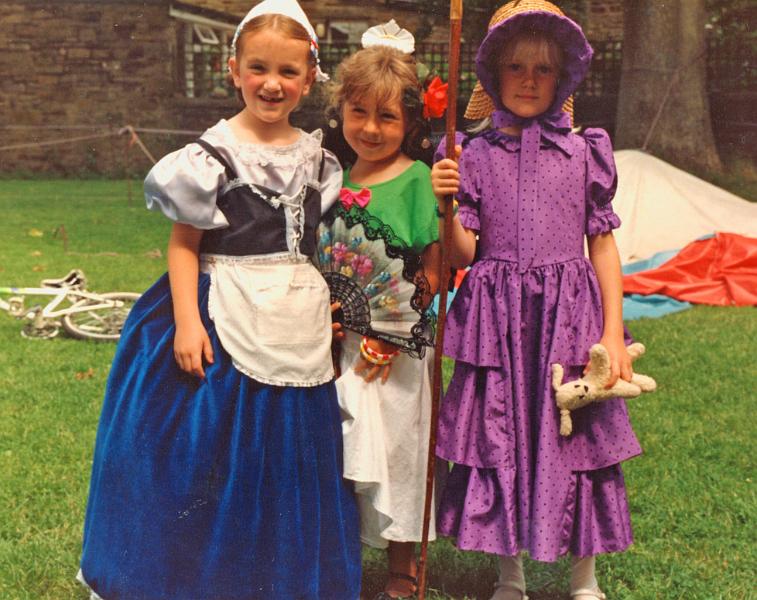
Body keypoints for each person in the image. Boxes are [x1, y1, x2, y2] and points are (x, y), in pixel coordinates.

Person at [77, 1, 360, 598]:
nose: (271, 84)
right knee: (211, 445)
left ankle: (276, 569)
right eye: (257, 68)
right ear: (233, 70)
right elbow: (183, 247)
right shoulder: (212, 154)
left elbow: (315, 246)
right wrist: (186, 322)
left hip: (293, 316)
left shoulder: (319, 159)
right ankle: (204, 571)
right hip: (219, 307)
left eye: (287, 72)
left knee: (288, 451)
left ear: (310, 78)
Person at [430, 2, 641, 599]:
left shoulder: (584, 152)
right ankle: (510, 576)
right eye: (516, 67)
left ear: (563, 78)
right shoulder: (470, 154)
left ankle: (584, 578)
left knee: (578, 440)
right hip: (498, 322)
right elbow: (464, 253)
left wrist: (611, 331)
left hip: (569, 316)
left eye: (542, 70)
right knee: (501, 434)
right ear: (494, 74)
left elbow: (602, 247)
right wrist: (447, 205)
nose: (528, 80)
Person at [327, 21, 443, 600]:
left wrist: (392, 334)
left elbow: (433, 268)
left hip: (396, 350)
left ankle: (404, 568)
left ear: (411, 123)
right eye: (358, 113)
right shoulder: (334, 179)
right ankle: (344, 563)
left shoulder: (418, 179)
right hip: (340, 346)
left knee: (399, 449)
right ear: (341, 112)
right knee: (348, 450)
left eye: (387, 117)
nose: (370, 129)